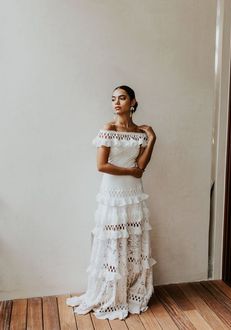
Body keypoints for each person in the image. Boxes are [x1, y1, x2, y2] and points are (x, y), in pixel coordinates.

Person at [66, 85, 157, 320]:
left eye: (122, 98)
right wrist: (130, 170)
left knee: (132, 241)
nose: (117, 102)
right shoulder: (109, 128)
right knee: (111, 242)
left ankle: (131, 291)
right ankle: (111, 293)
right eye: (114, 99)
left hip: (133, 193)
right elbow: (102, 165)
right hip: (112, 193)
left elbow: (142, 167)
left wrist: (152, 138)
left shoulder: (139, 132)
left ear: (133, 102)